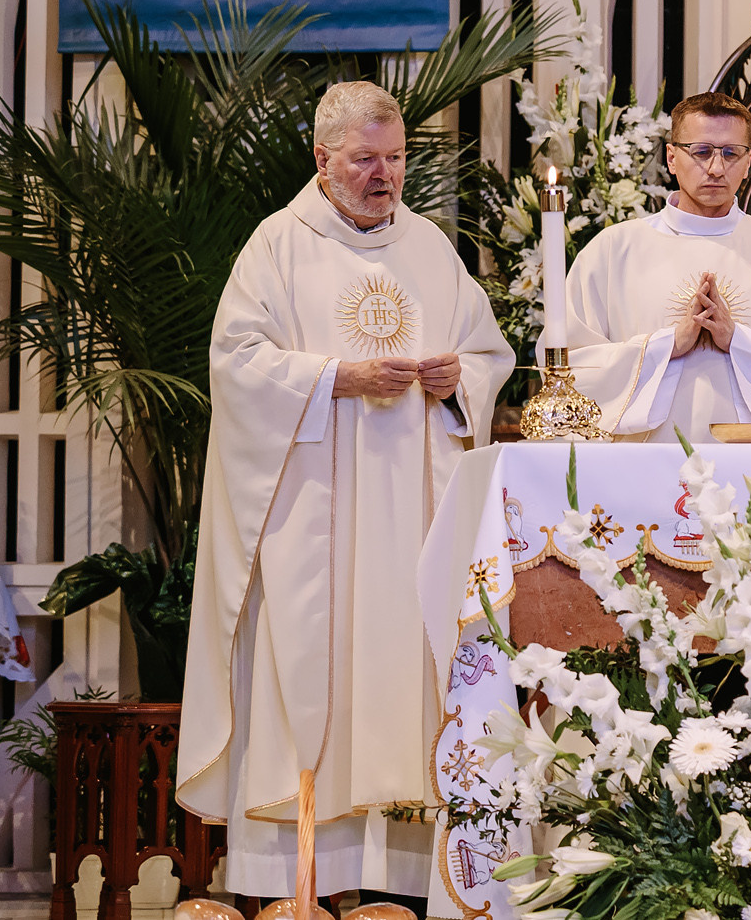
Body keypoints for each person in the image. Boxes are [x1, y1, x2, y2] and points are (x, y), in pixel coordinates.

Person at [176, 81, 514, 903]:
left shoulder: (431, 248)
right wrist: (337, 376)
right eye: (365, 159)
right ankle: (296, 880)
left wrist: (457, 376)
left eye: (395, 158)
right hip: (312, 525)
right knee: (313, 674)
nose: (384, 176)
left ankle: (398, 883)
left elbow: (488, 352)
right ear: (322, 159)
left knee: (407, 677)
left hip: (413, 522)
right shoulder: (276, 247)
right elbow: (237, 363)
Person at [562, 91, 751, 440]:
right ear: (672, 158)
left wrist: (738, 340)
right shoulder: (612, 251)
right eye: (701, 152)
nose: (716, 168)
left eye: (731, 153)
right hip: (642, 463)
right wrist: (669, 344)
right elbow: (570, 367)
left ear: (749, 162)